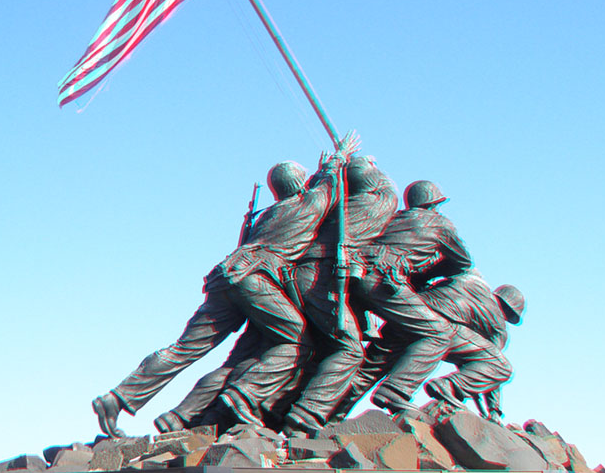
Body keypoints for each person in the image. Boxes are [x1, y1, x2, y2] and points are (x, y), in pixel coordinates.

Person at [92, 133, 360, 437]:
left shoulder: (268, 214)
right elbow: (329, 185)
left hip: (225, 275)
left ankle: (118, 397)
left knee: (184, 348)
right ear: (301, 183)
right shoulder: (308, 203)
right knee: (297, 342)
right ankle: (243, 395)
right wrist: (340, 157)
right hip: (255, 279)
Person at [279, 155, 398, 435]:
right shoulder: (377, 203)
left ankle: (281, 413)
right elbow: (389, 191)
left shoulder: (336, 206)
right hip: (321, 276)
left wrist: (328, 170)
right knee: (350, 349)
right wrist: (359, 163)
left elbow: (313, 194)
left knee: (320, 348)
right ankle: (306, 413)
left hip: (302, 274)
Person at [346, 180, 472, 413]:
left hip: (356, 275)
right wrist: (425, 276)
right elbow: (463, 262)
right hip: (384, 280)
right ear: (433, 204)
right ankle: (395, 390)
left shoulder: (393, 218)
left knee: (370, 357)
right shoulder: (440, 224)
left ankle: (326, 413)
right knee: (439, 333)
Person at [335, 274, 524, 425]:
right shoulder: (498, 325)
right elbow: (488, 366)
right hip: (439, 327)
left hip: (409, 312)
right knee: (501, 366)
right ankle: (446, 386)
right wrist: (493, 411)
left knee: (367, 372)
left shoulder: (469, 279)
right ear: (510, 312)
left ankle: (329, 417)